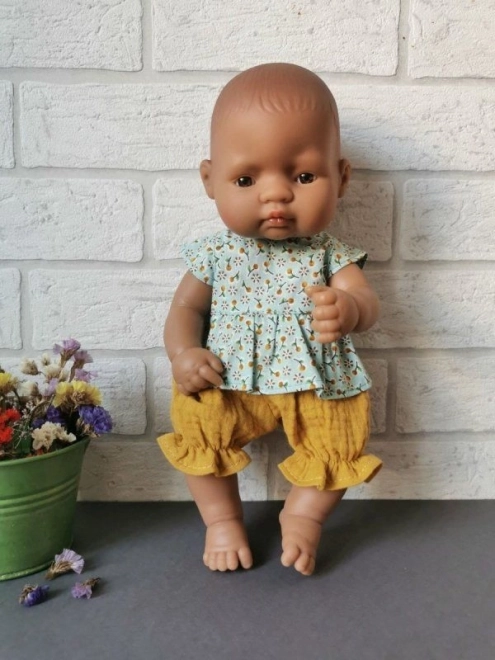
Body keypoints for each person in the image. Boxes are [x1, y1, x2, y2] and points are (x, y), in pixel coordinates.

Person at [157, 63, 382, 576]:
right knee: (200, 421)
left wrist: (350, 309)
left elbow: (367, 302)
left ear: (342, 178)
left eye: (303, 176)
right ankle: (221, 521)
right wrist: (184, 353)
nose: (276, 194)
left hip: (317, 380)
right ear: (209, 180)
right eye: (245, 178)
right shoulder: (216, 254)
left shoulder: (329, 253)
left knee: (339, 438)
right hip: (227, 375)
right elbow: (186, 309)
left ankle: (303, 514)